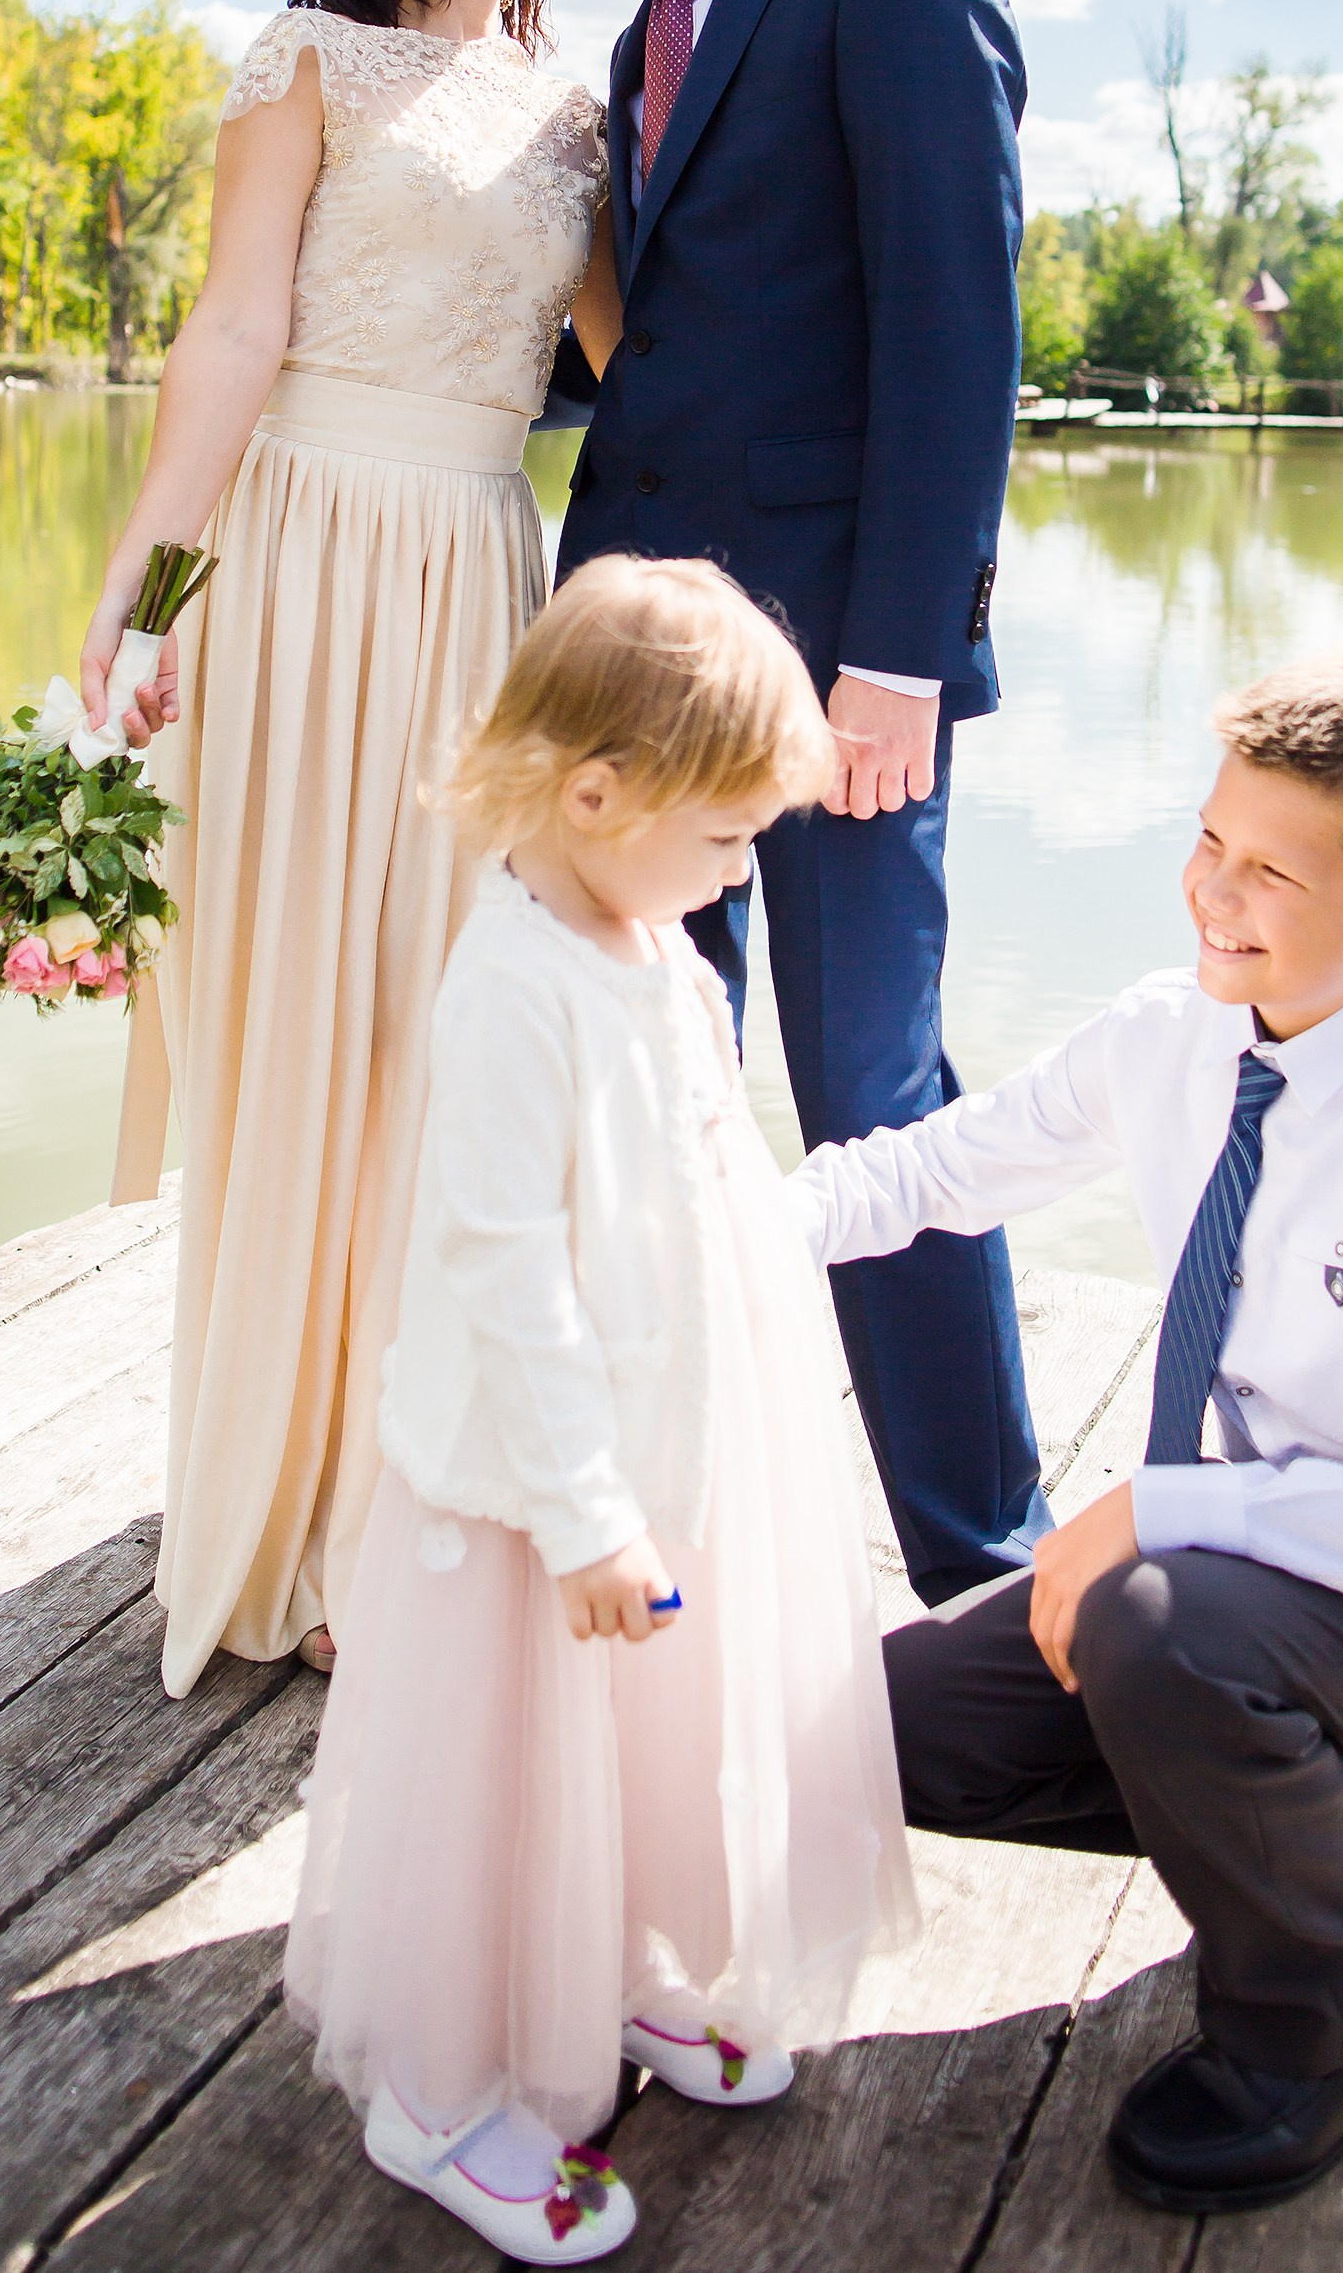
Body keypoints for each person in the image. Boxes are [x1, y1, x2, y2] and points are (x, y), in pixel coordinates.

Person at [791, 650, 1343, 2218]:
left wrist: (1165, 1511)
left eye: (1270, 869)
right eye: (1208, 837)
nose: (1211, 888)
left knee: (1155, 1620)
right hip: (1251, 1590)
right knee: (857, 1734)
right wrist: (710, 1234)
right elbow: (926, 1174)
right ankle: (1294, 1786)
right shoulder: (1169, 1030)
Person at [287, 558, 917, 2264]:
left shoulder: (653, 935)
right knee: (504, 1776)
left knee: (637, 1750)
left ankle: (613, 1966)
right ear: (593, 791)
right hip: (529, 1490)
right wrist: (582, 1511)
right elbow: (504, 1268)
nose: (744, 869)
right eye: (725, 838)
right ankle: (439, 2081)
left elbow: (705, 1169)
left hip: (654, 1432)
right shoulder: (512, 985)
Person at [517, 0, 1051, 1605]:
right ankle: (659, 1526)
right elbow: (656, 347)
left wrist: (897, 657)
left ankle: (980, 1579)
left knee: (869, 1096)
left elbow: (950, 328)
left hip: (835, 682)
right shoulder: (633, 24)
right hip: (630, 680)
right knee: (637, 1078)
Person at [81, 0, 619, 1686]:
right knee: (297, 1017)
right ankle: (287, 1507)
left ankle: (410, 1504)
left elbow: (644, 377)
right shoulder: (306, 59)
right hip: (299, 559)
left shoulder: (583, 107)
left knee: (442, 1031)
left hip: (484, 577)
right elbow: (230, 335)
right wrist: (146, 593)